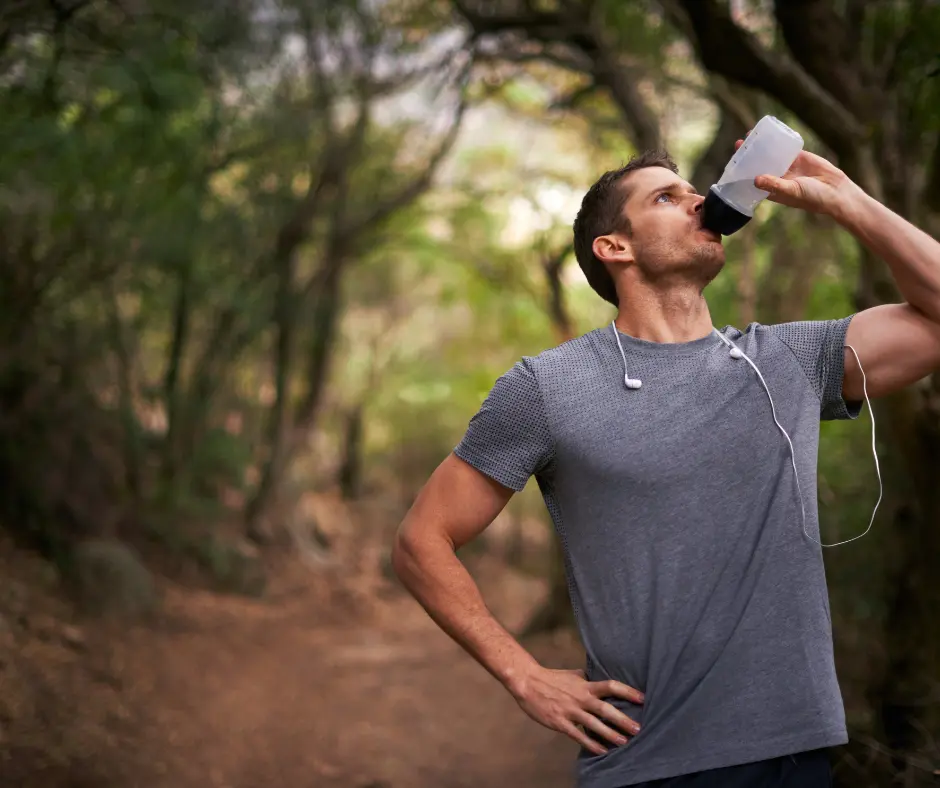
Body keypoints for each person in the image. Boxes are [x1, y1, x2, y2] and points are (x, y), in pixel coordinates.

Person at [390, 142, 940, 787]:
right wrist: (523, 674)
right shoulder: (547, 388)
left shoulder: (784, 362)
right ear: (614, 247)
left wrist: (847, 200)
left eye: (691, 193)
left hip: (796, 752)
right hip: (647, 762)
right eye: (666, 198)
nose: (699, 201)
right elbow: (421, 540)